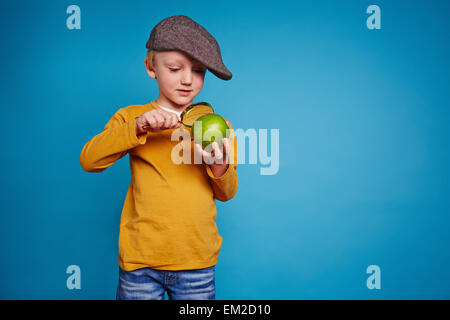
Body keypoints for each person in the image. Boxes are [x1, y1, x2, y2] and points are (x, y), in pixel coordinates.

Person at [79, 15, 238, 300]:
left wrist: (218, 164)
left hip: (196, 262)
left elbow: (227, 193)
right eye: (175, 68)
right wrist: (138, 127)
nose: (188, 79)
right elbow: (89, 161)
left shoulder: (218, 125)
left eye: (198, 70)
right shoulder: (131, 117)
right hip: (141, 262)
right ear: (151, 67)